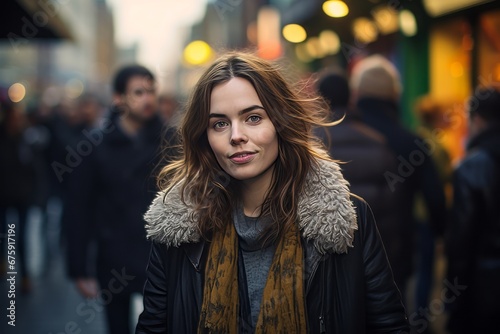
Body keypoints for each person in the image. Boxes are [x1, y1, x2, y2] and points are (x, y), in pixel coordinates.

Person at [136, 51, 409, 333]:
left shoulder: (349, 220)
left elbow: (388, 324)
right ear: (204, 138)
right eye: (219, 123)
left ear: (280, 122)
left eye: (253, 118)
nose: (236, 135)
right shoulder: (176, 229)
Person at [63, 65, 169, 334]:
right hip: (114, 257)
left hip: (163, 258)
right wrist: (79, 269)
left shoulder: (172, 141)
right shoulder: (95, 145)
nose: (148, 99)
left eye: (151, 91)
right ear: (119, 98)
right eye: (138, 92)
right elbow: (78, 208)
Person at [349, 55, 447, 310]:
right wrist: (440, 233)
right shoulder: (412, 143)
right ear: (395, 95)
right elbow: (435, 197)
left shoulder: (337, 138)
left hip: (344, 250)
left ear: (357, 93)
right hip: (395, 251)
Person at [445, 86, 500, 334]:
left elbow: (461, 239)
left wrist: (453, 294)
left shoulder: (471, 167)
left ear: (477, 120)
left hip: (483, 289)